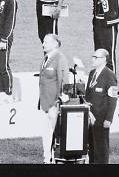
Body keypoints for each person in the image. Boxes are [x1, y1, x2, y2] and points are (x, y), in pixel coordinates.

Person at [38, 34, 68, 163]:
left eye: (46, 42)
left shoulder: (59, 58)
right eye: (43, 42)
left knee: (53, 134)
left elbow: (64, 82)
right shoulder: (46, 58)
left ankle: (52, 159)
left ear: (55, 43)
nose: (43, 44)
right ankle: (47, 159)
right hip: (45, 103)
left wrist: (57, 103)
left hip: (53, 104)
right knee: (46, 133)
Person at [85, 48, 118, 164]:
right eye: (92, 57)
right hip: (90, 117)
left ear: (104, 59)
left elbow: (113, 99)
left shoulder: (109, 75)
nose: (92, 59)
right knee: (92, 147)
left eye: (96, 57)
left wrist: (109, 119)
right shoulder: (92, 73)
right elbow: (87, 95)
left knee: (101, 148)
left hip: (101, 118)